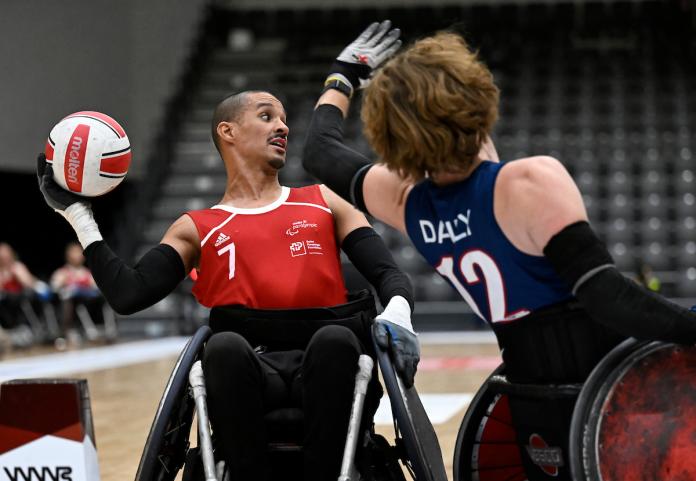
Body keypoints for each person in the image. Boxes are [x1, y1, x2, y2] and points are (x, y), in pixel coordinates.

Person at [302, 23, 696, 480]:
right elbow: (605, 296)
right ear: (476, 97)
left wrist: (342, 76)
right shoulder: (528, 181)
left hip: (530, 404)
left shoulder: (408, 203)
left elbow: (320, 152)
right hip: (613, 393)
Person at [37, 86, 417, 481]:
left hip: (328, 364)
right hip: (247, 367)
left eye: (285, 119)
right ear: (228, 131)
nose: (283, 127)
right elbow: (128, 294)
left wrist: (399, 311)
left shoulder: (323, 201)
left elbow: (388, 274)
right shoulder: (196, 227)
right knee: (223, 346)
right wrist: (80, 217)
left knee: (335, 341)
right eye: (267, 116)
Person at [51, 241, 114, 347]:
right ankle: (67, 331)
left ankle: (108, 329)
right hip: (71, 307)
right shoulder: (63, 272)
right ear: (68, 255)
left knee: (104, 298)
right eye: (74, 252)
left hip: (89, 305)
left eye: (79, 252)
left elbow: (97, 288)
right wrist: (62, 282)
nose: (77, 255)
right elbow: (54, 287)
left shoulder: (87, 273)